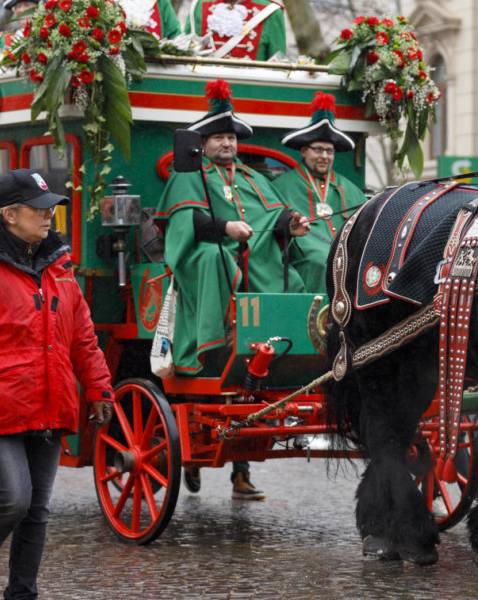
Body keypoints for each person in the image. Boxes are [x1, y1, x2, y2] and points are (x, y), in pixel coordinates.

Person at [0, 170, 114, 599]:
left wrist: (99, 387)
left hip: (49, 403)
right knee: (13, 499)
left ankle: (21, 593)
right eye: (40, 208)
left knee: (36, 511)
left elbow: (82, 335)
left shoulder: (59, 265)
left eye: (51, 207)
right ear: (10, 214)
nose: (50, 215)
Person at [155, 79, 309, 499]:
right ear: (203, 142)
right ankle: (216, 339)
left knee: (294, 277)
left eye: (231, 137)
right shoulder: (191, 175)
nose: (227, 144)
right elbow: (186, 223)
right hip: (206, 257)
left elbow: (274, 216)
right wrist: (224, 227)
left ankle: (296, 348)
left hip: (253, 260)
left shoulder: (250, 176)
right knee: (219, 259)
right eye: (219, 137)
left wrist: (290, 226)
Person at [272, 92, 368, 292]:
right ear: (303, 151)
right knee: (322, 261)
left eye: (329, 151)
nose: (324, 156)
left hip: (345, 252)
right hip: (306, 258)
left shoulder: (347, 187)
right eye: (317, 150)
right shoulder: (282, 186)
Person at [183, 0, 285, 60]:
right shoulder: (199, 5)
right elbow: (184, 58)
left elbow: (279, 68)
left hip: (250, 94)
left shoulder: (272, 12)